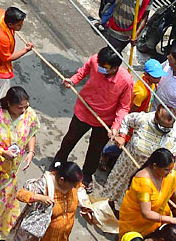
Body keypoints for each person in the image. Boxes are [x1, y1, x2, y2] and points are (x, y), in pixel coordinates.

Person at [53, 46, 134, 189]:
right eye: (100, 65)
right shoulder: (95, 61)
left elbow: (124, 107)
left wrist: (115, 128)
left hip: (104, 120)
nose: (101, 68)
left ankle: (87, 175)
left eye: (105, 67)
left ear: (115, 68)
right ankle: (57, 163)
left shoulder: (126, 81)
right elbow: (83, 71)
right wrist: (72, 81)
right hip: (84, 110)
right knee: (69, 139)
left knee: (95, 150)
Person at [0, 85, 39, 240]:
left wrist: (30, 152)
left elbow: (32, 133)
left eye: (26, 107)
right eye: (20, 107)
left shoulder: (28, 115)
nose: (23, 111)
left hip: (12, 169)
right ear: (9, 104)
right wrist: (3, 152)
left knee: (6, 197)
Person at [101, 107, 176, 207]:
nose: (165, 130)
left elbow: (170, 155)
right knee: (112, 190)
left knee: (131, 201)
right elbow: (126, 120)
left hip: (147, 174)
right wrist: (122, 136)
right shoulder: (144, 119)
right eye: (162, 126)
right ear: (156, 118)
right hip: (127, 165)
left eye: (168, 127)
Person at [117, 148, 176, 237]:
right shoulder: (143, 182)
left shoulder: (168, 175)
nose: (170, 172)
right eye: (167, 169)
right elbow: (146, 213)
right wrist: (173, 220)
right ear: (155, 166)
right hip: (136, 221)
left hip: (157, 218)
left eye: (171, 168)